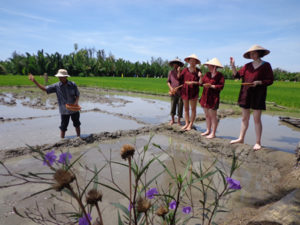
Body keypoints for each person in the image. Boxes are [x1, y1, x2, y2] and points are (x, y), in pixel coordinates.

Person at [230, 45, 274, 150]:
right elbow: (237, 76)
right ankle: (241, 138)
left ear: (259, 53)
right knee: (244, 118)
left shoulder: (266, 65)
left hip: (258, 94)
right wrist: (233, 66)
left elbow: (270, 80)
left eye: (254, 53)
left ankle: (258, 142)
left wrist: (259, 82)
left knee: (256, 119)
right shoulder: (247, 66)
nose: (252, 55)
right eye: (250, 53)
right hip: (246, 94)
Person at [28, 69, 81, 139]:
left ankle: (79, 137)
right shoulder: (56, 86)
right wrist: (35, 81)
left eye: (61, 77)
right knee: (63, 126)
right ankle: (62, 140)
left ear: (66, 77)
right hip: (64, 110)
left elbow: (77, 94)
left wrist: (76, 102)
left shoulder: (72, 84)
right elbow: (45, 89)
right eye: (59, 77)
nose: (59, 78)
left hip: (74, 109)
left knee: (77, 124)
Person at [199, 58, 225, 139]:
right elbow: (200, 84)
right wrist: (200, 77)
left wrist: (212, 86)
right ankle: (208, 130)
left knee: (213, 116)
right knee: (207, 115)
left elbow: (221, 86)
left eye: (210, 65)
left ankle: (213, 133)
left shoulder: (220, 76)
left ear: (214, 66)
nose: (208, 67)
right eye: (208, 65)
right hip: (205, 97)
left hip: (213, 98)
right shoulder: (207, 74)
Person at [178, 54, 201, 131]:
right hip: (185, 91)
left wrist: (196, 81)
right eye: (191, 60)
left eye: (194, 61)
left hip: (194, 92)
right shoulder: (185, 70)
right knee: (186, 109)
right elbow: (180, 79)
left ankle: (191, 124)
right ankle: (187, 123)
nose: (192, 62)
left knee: (193, 109)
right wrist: (178, 72)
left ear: (196, 62)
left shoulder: (198, 71)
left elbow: (200, 83)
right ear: (189, 61)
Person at [167, 58, 184, 125]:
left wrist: (178, 88)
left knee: (180, 106)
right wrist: (171, 88)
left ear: (179, 65)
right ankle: (172, 120)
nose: (175, 65)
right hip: (173, 92)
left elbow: (184, 83)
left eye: (177, 63)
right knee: (172, 106)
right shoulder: (170, 72)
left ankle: (179, 121)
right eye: (174, 63)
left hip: (180, 92)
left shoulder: (182, 72)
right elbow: (168, 82)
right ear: (173, 64)